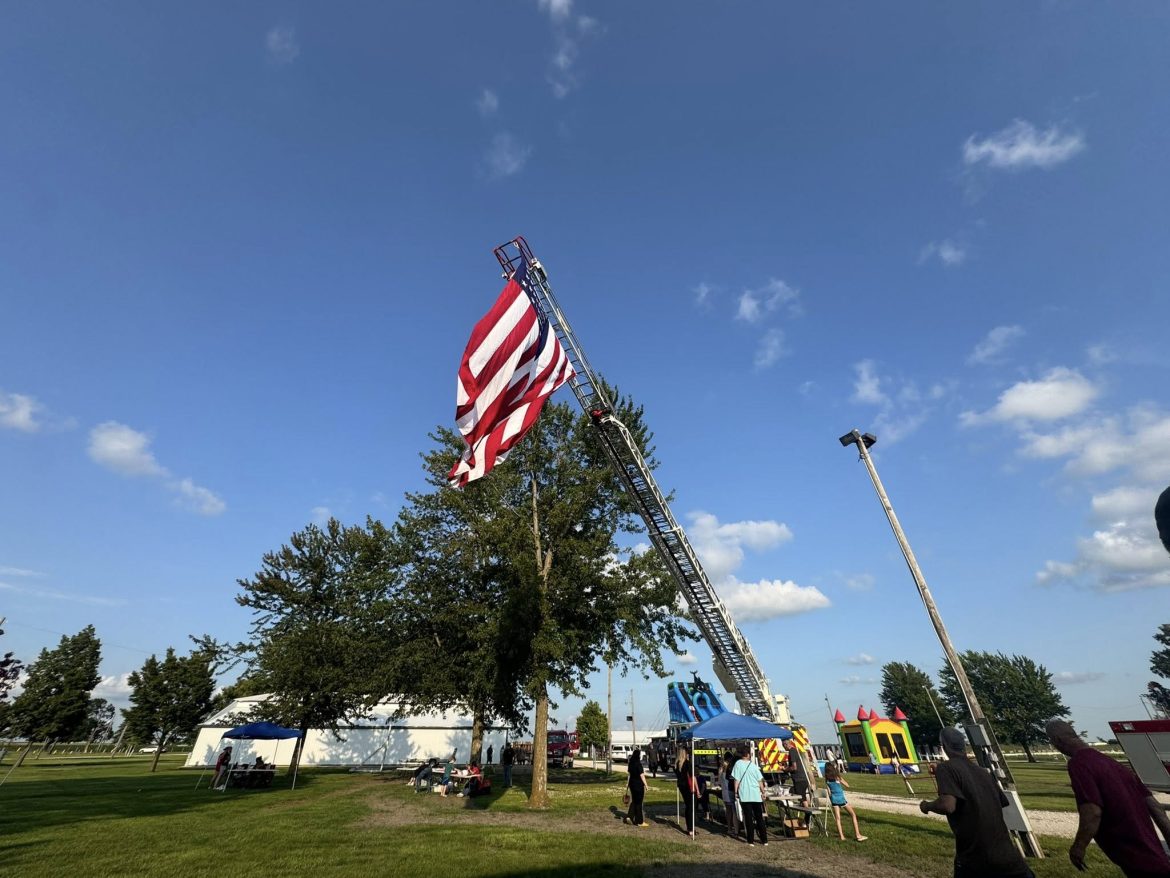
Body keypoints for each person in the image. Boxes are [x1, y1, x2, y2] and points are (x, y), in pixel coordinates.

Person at [1046, 719, 1170, 875]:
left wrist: (1079, 847)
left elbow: (1092, 812)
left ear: (1057, 740)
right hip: (1156, 858)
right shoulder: (1114, 764)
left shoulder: (1079, 764)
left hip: (1134, 856)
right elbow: (1156, 807)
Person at [920, 727, 1034, 878]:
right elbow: (998, 801)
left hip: (976, 856)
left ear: (944, 746)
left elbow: (947, 805)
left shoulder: (946, 768)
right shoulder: (982, 772)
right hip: (1008, 856)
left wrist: (927, 806)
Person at [732, 744, 768, 847]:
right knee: (759, 818)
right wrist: (763, 791)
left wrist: (735, 792)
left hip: (745, 795)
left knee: (748, 818)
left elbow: (736, 780)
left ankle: (751, 840)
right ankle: (764, 840)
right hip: (756, 795)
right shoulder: (753, 766)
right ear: (748, 754)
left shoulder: (738, 764)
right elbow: (760, 781)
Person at [824, 763, 867, 842]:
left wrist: (832, 800)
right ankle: (858, 834)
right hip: (841, 799)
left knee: (838, 819)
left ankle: (842, 836)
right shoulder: (838, 777)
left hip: (834, 800)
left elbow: (829, 792)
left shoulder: (827, 780)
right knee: (853, 814)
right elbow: (847, 785)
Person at [718, 751, 741, 839]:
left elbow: (719, 782)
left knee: (728, 811)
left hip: (725, 791)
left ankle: (729, 828)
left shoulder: (721, 769)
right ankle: (735, 829)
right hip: (730, 791)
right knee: (734, 811)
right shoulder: (731, 768)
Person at [625, 748, 648, 828]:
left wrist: (627, 784)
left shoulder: (630, 763)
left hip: (632, 784)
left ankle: (629, 816)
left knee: (634, 801)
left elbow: (629, 775)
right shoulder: (638, 764)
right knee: (639, 803)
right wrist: (646, 785)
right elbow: (642, 776)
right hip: (638, 785)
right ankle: (639, 821)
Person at [675, 750, 696, 837]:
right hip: (688, 786)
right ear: (685, 754)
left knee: (688, 806)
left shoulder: (677, 764)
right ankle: (690, 828)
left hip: (681, 785)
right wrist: (696, 788)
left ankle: (690, 827)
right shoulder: (687, 763)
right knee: (691, 807)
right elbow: (692, 776)